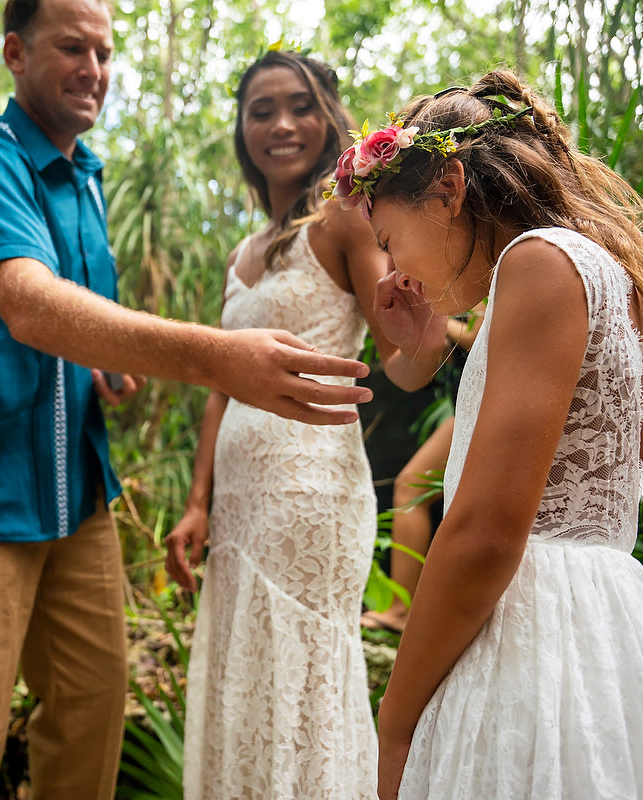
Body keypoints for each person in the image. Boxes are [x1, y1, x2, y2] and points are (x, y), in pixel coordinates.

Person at [0, 3, 375, 799]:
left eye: (105, 53)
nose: (94, 70)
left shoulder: (87, 180)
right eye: (71, 47)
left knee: (91, 719)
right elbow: (33, 307)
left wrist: (106, 372)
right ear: (15, 51)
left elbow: (77, 336)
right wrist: (220, 357)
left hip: (79, 494)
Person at [332, 71, 643, 798]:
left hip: (533, 637)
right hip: (605, 631)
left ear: (450, 188)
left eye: (389, 240)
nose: (391, 270)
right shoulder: (591, 267)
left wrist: (395, 724)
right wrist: (424, 339)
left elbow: (485, 532)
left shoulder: (539, 263)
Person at [162, 50, 448, 800]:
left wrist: (428, 322)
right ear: (242, 129)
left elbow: (404, 362)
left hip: (311, 494)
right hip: (240, 501)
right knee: (243, 669)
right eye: (262, 110)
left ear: (328, 119)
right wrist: (198, 502)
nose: (281, 124)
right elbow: (220, 385)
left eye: (299, 105)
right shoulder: (243, 251)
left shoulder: (348, 219)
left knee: (303, 675)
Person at [361, 309, 482, 634]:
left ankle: (403, 610)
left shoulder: (493, 270)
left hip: (486, 405)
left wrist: (433, 318)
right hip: (471, 405)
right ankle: (410, 609)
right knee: (415, 489)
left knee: (411, 489)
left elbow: (478, 334)